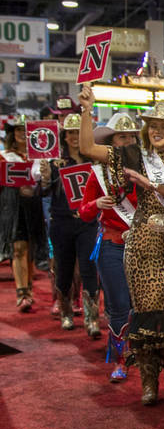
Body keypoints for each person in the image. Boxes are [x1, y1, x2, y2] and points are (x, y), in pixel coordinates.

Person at [79, 88, 164, 406]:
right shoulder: (134, 154)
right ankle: (149, 383)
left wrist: (152, 185)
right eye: (153, 126)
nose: (157, 131)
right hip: (142, 248)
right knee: (145, 317)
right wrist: (86, 110)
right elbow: (87, 148)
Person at [78, 113, 140, 382]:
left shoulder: (145, 169)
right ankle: (119, 359)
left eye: (131, 136)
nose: (127, 141)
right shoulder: (98, 173)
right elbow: (83, 213)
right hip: (111, 244)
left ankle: (141, 355)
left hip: (142, 245)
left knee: (142, 306)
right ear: (111, 142)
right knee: (118, 306)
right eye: (122, 137)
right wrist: (96, 204)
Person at [40, 112, 101, 337]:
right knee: (64, 270)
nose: (75, 136)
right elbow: (43, 192)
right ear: (64, 136)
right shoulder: (54, 162)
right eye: (71, 133)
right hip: (61, 222)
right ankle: (66, 313)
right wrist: (45, 177)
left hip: (88, 222)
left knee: (88, 268)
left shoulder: (94, 160)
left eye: (79, 132)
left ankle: (91, 318)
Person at [1, 115, 47, 313]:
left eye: (26, 131)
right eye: (19, 130)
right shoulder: (4, 156)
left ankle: (28, 288)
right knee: (18, 246)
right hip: (12, 206)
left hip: (35, 205)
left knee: (31, 247)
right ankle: (22, 292)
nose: (22, 134)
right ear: (13, 133)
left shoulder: (41, 158)